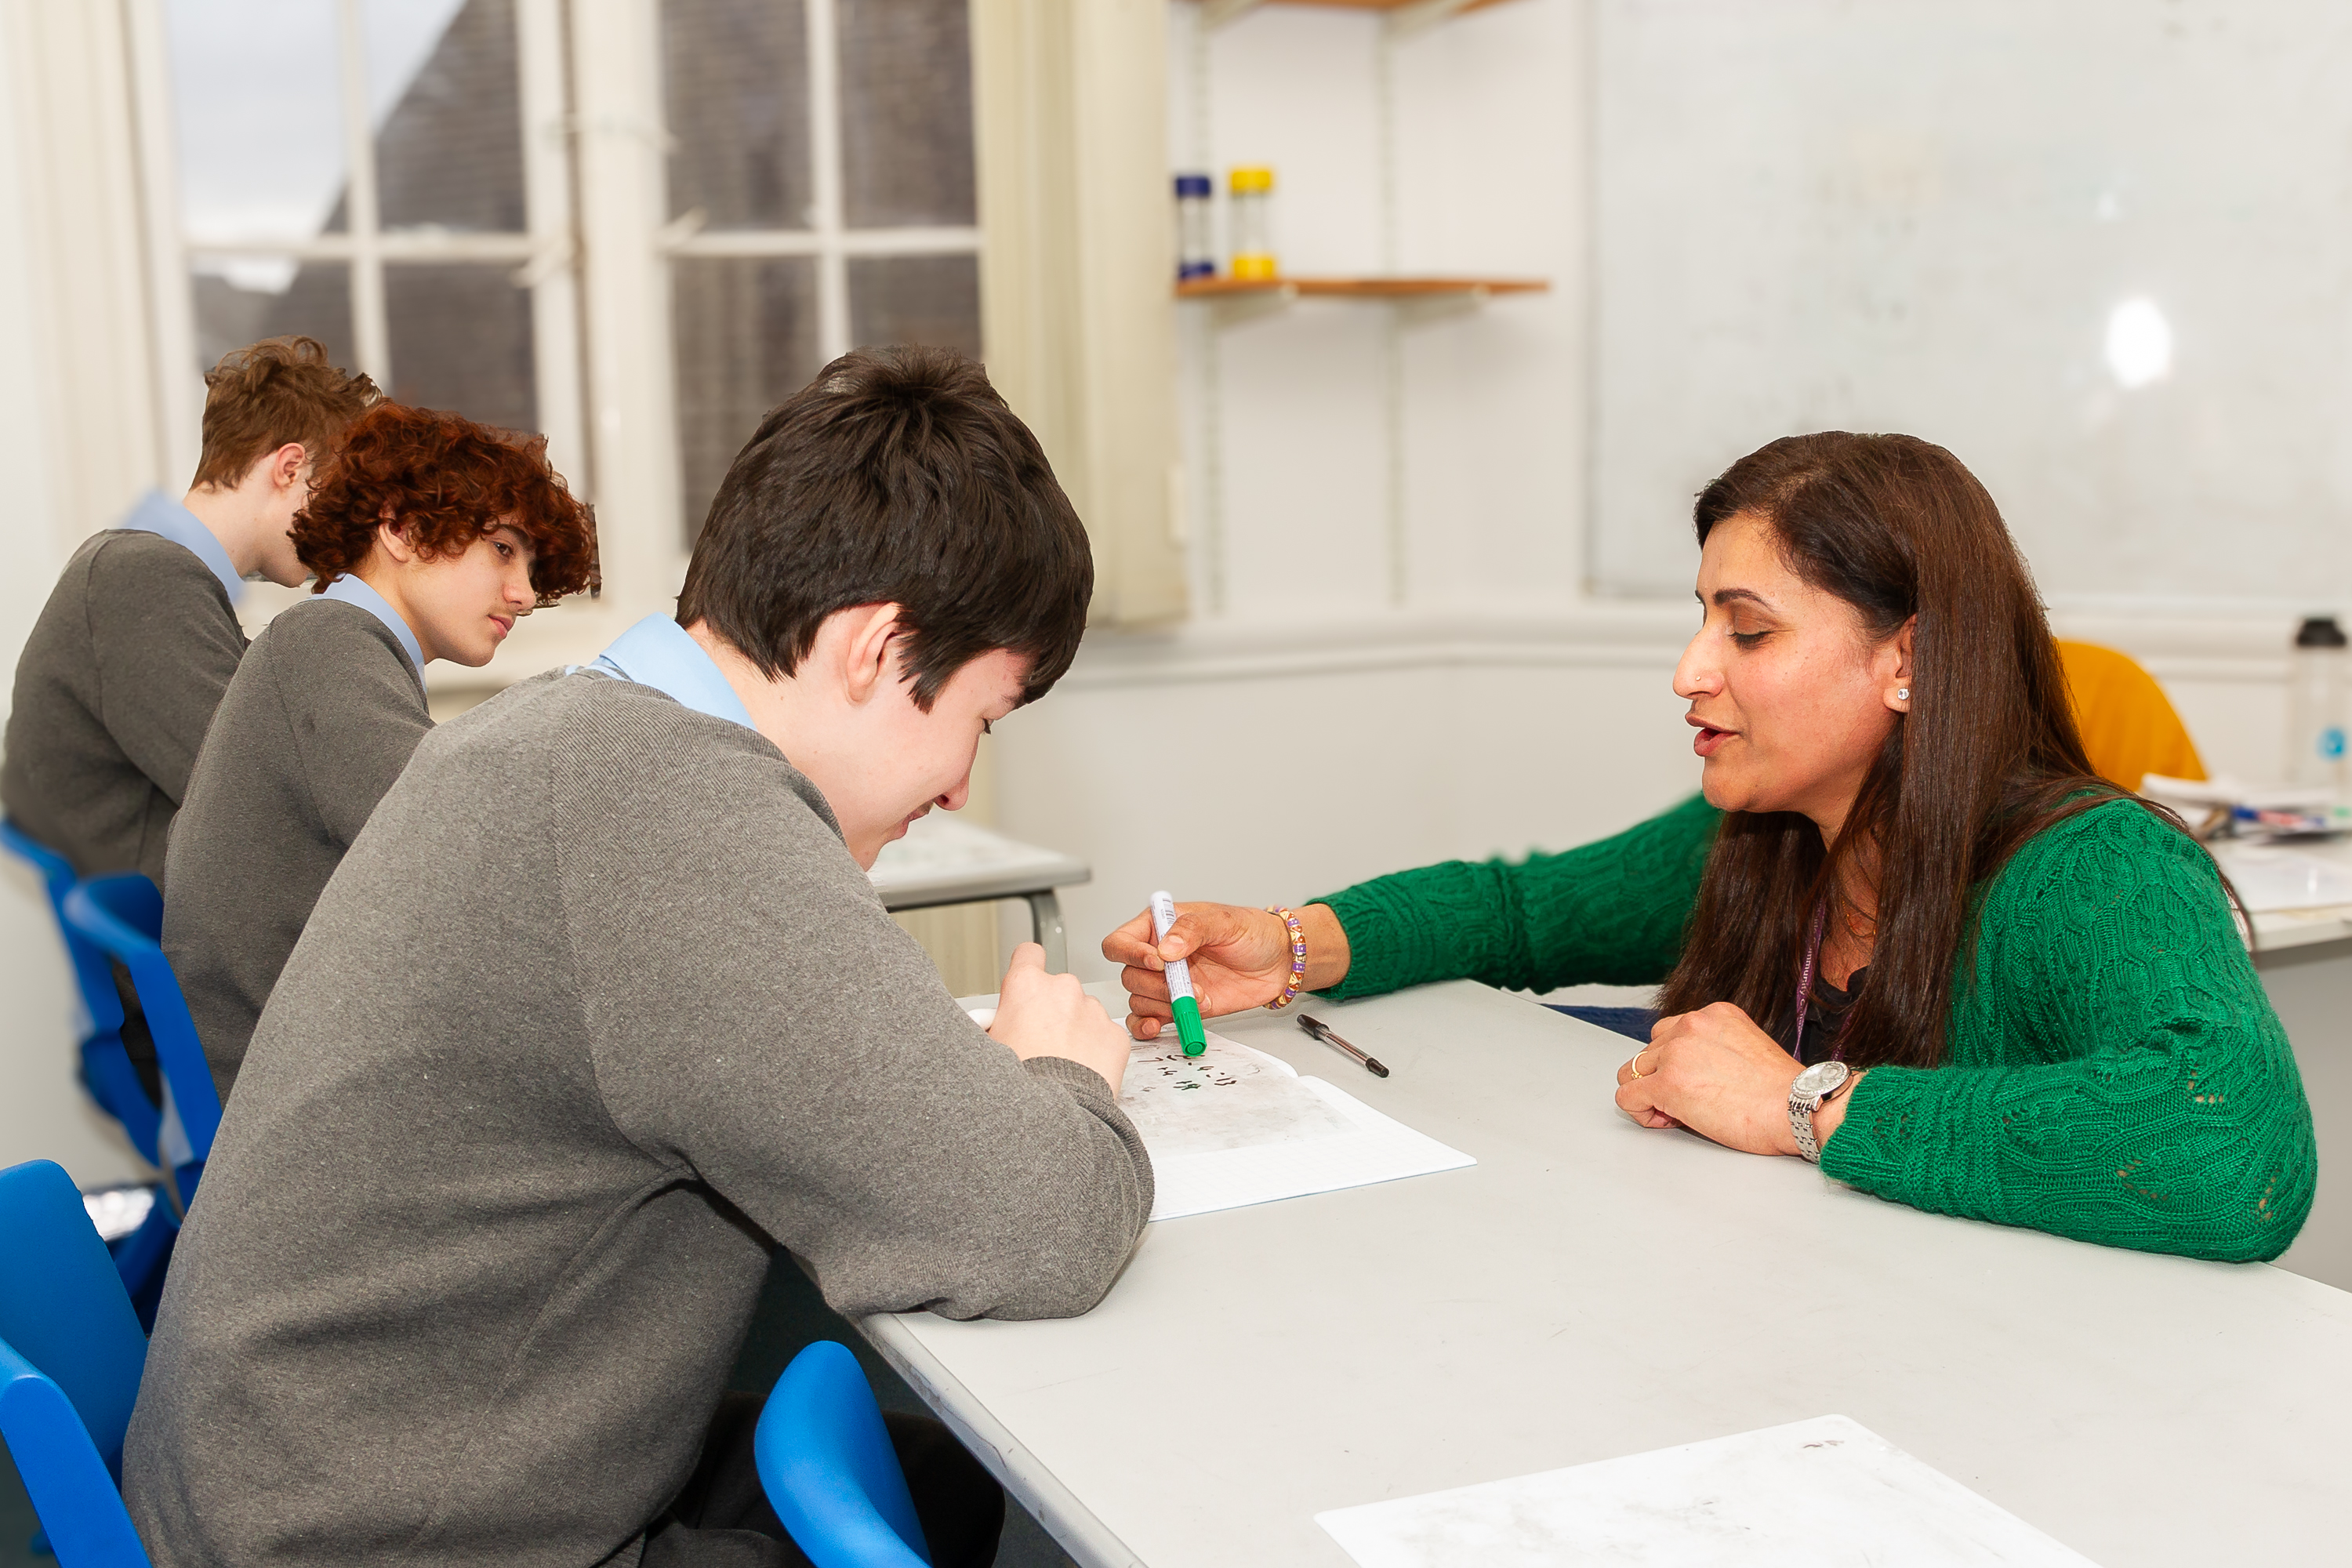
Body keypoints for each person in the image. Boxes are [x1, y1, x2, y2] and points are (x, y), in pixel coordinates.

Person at [125, 347, 1149, 1568]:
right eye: (977, 719)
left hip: (304, 1464)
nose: (961, 780)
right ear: (877, 647)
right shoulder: (667, 806)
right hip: (362, 1531)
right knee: (1005, 1507)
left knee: (943, 1481)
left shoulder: (582, 733)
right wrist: (1061, 1078)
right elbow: (1039, 1225)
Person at [1108, 432, 2315, 1265]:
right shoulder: (1767, 837)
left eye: (1747, 630)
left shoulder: (2093, 868)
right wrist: (1286, 944)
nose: (1692, 671)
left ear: (1909, 661)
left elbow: (2232, 1150)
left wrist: (1803, 1106)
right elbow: (1519, 913)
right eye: (1701, 622)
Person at [162, 401, 601, 1098]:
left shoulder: (335, 645)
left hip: (287, 1050)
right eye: (503, 550)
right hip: (286, 1088)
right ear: (399, 529)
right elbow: (464, 850)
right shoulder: (324, 646)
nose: (522, 594)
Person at [2, 336, 377, 888]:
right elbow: (259, 799)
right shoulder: (142, 578)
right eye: (341, 498)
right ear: (291, 467)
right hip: (178, 940)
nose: (345, 530)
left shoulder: (155, 574)